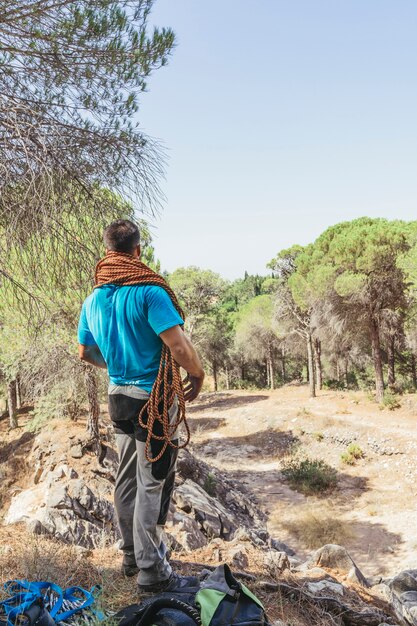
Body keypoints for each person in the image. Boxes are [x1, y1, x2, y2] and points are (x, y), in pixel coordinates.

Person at [77, 219, 205, 593]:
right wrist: (196, 375)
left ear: (106, 251)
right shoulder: (150, 292)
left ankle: (131, 556)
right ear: (137, 251)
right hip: (153, 399)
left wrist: (117, 368)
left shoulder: (92, 299)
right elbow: (179, 348)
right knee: (153, 482)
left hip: (118, 398)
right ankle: (152, 571)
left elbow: (85, 352)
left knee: (127, 478)